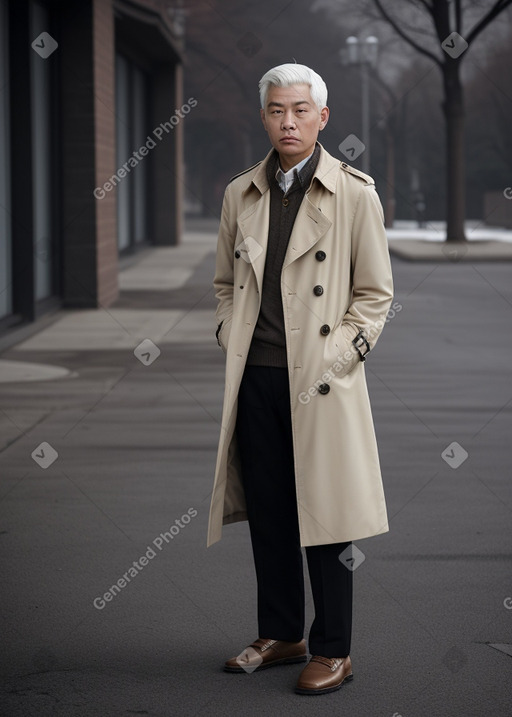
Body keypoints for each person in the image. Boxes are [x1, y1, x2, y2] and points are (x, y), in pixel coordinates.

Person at [207, 63, 394, 696]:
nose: (287, 121)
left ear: (323, 117)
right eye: (276, 110)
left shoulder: (354, 193)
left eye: (299, 110)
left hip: (321, 381)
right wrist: (230, 331)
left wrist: (338, 357)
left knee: (327, 513)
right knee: (269, 511)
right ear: (263, 116)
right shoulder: (241, 193)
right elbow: (225, 286)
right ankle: (283, 632)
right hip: (255, 379)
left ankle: (335, 647)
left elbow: (374, 295)